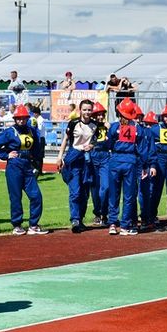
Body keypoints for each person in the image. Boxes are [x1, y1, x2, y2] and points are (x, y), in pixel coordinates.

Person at [0, 104, 45, 235]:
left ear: (27, 118)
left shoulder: (31, 131)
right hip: (14, 166)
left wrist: (36, 164)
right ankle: (17, 224)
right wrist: (5, 155)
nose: (21, 121)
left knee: (36, 195)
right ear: (15, 119)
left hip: (27, 165)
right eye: (18, 118)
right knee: (16, 197)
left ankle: (33, 224)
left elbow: (36, 148)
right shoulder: (10, 132)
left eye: (23, 118)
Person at [102, 97, 152, 236]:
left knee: (114, 194)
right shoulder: (138, 129)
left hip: (115, 161)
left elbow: (109, 144)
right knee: (129, 195)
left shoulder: (113, 127)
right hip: (130, 161)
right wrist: (144, 166)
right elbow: (142, 150)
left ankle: (112, 223)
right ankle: (124, 225)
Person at [57, 98, 98, 232]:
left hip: (87, 160)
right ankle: (74, 219)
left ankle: (80, 218)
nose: (87, 112)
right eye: (85, 109)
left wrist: (91, 145)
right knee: (75, 191)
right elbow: (66, 139)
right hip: (74, 157)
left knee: (85, 193)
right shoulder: (73, 123)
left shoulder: (95, 125)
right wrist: (59, 157)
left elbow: (97, 141)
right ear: (80, 110)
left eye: (89, 110)